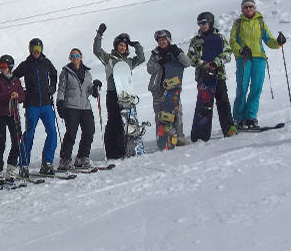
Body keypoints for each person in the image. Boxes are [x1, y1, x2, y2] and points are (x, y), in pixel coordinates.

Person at [229, 0, 286, 129]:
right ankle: (238, 118)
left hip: (259, 58)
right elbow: (232, 41)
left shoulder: (260, 22)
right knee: (242, 88)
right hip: (244, 58)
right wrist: (240, 50)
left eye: (251, 7)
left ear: (254, 8)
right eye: (246, 7)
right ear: (242, 9)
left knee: (256, 88)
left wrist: (278, 42)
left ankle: (251, 117)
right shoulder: (238, 24)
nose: (248, 9)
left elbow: (268, 39)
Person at [94, 24, 145, 159]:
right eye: (120, 45)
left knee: (126, 122)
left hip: (126, 94)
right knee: (114, 122)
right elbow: (97, 50)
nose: (122, 48)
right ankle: (112, 151)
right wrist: (99, 35)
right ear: (116, 46)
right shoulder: (109, 59)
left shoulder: (128, 61)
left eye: (125, 46)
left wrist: (137, 46)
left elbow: (141, 59)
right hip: (112, 94)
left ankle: (123, 148)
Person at [13, 39, 59, 175]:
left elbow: (54, 74)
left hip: (46, 104)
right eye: (34, 48)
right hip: (32, 105)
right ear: (30, 49)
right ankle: (23, 164)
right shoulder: (26, 65)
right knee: (29, 134)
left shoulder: (46, 63)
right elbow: (14, 78)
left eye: (38, 48)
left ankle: (47, 163)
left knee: (52, 132)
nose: (36, 51)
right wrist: (22, 92)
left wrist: (52, 87)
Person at [189, 12, 237, 141]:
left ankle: (229, 128)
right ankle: (201, 132)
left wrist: (216, 63)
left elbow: (227, 53)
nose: (202, 26)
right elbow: (191, 57)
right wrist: (203, 64)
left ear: (210, 22)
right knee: (204, 104)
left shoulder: (220, 38)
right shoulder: (195, 40)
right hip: (204, 76)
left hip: (218, 75)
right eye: (199, 23)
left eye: (204, 23)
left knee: (223, 101)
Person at [56, 49, 101, 169]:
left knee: (89, 130)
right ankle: (65, 159)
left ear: (81, 57)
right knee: (71, 133)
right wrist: (60, 102)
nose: (75, 57)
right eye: (72, 55)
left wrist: (95, 89)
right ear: (70, 58)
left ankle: (82, 157)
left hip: (85, 106)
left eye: (77, 55)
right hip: (71, 106)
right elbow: (61, 89)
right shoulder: (66, 72)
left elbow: (89, 89)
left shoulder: (87, 73)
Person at [147, 30, 192, 147]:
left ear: (168, 40)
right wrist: (160, 64)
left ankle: (178, 136)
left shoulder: (175, 50)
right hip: (158, 87)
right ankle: (162, 137)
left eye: (164, 39)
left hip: (172, 86)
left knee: (175, 111)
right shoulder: (155, 53)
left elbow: (188, 63)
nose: (162, 42)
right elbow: (149, 69)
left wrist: (178, 54)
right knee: (160, 113)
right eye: (159, 40)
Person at [0, 55, 25, 179]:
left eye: (4, 66)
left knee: (16, 141)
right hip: (0, 114)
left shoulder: (16, 80)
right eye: (0, 66)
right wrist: (10, 94)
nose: (1, 68)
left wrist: (17, 96)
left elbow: (22, 96)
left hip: (13, 114)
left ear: (9, 66)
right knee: (0, 142)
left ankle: (11, 167)